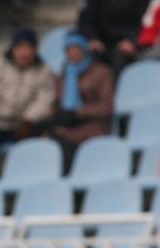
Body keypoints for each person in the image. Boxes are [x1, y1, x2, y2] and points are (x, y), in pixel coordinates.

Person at [38, 33, 115, 172]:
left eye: (76, 49)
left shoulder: (101, 72)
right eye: (69, 50)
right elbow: (57, 103)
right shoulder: (63, 77)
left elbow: (107, 107)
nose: (73, 54)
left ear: (84, 50)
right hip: (68, 126)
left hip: (93, 125)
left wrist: (78, 113)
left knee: (64, 145)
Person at [0, 28, 55, 147]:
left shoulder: (44, 71)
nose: (25, 53)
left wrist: (29, 120)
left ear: (35, 50)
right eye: (20, 48)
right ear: (13, 48)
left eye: (29, 48)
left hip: (25, 124)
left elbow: (44, 100)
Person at [76, 0, 150, 74]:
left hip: (130, 43)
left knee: (120, 58)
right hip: (102, 42)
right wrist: (92, 38)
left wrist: (133, 41)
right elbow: (85, 22)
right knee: (89, 56)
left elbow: (148, 23)